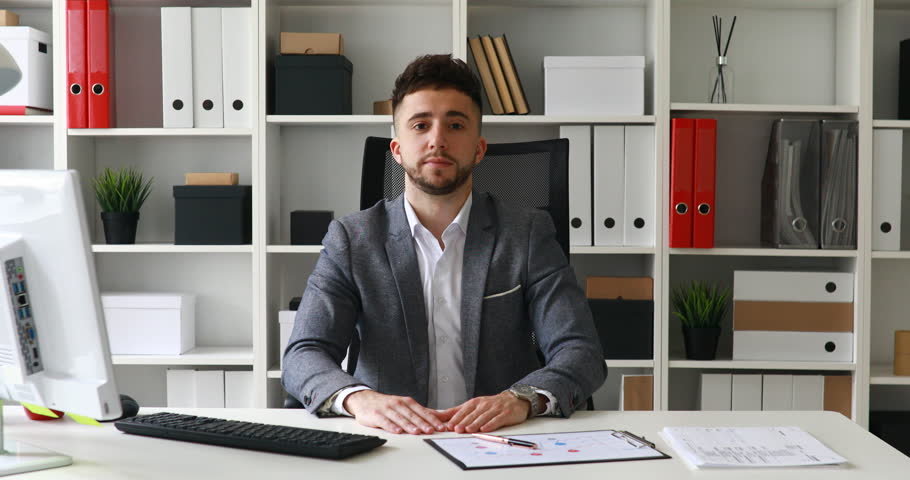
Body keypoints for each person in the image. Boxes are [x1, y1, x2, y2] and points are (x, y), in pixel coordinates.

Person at [282, 53, 606, 436]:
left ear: (479, 149)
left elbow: (581, 352)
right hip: (389, 443)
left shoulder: (527, 233)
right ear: (397, 150)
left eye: (455, 124)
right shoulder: (352, 240)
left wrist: (522, 399)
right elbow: (304, 354)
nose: (438, 139)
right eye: (420, 125)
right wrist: (358, 398)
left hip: (500, 442)